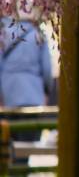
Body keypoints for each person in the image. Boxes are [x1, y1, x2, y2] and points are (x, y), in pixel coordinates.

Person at [0, 16, 53, 164]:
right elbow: (47, 70)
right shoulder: (38, 34)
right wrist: (46, 91)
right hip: (33, 97)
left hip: (9, 97)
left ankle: (13, 171)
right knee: (26, 147)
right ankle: (22, 169)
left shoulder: (3, 33)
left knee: (8, 145)